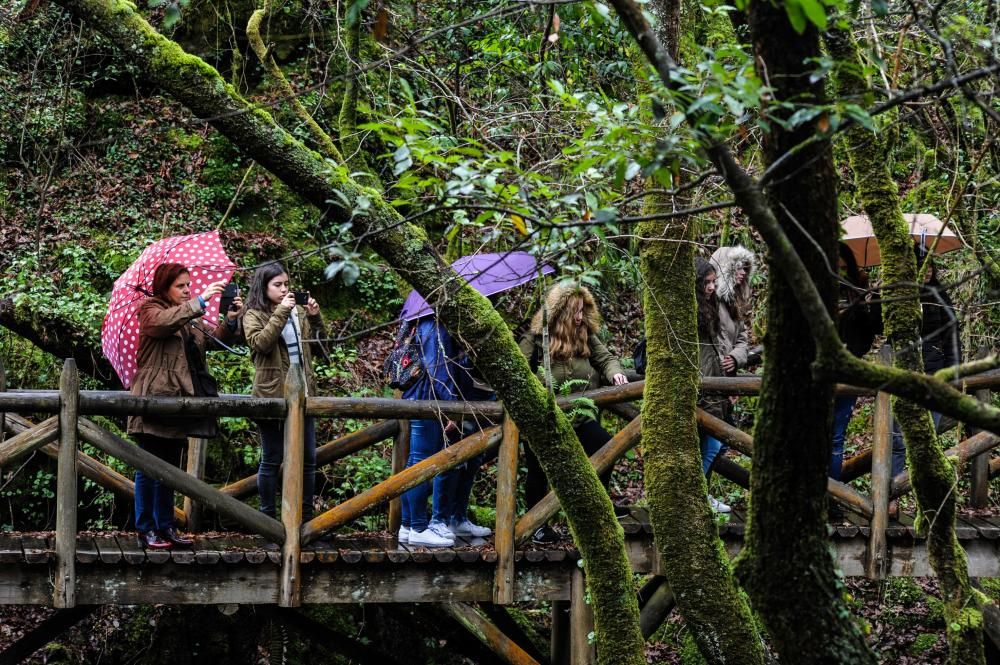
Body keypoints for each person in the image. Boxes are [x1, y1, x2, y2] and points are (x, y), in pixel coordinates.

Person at [128, 263, 241, 550]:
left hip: (178, 402)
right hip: (153, 400)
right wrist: (199, 301)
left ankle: (165, 526)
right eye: (181, 286)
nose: (187, 290)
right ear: (164, 287)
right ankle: (146, 529)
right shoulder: (150, 309)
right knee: (148, 467)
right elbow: (163, 323)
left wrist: (229, 321)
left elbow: (213, 340)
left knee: (170, 471)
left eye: (189, 285)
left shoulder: (190, 318)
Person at [519, 282, 629, 544]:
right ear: (561, 312)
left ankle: (598, 508)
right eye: (575, 312)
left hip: (581, 417)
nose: (580, 317)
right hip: (544, 420)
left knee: (604, 447)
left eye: (583, 311)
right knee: (538, 470)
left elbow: (606, 359)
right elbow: (520, 374)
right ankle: (537, 525)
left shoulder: (586, 335)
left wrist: (616, 373)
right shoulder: (535, 340)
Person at [243, 263, 325, 532]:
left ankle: (306, 521)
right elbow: (260, 344)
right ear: (263, 287)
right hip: (271, 397)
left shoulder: (298, 312)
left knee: (308, 460)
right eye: (277, 285)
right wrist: (281, 312)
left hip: (303, 396)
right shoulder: (253, 314)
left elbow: (323, 348)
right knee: (272, 458)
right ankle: (267, 521)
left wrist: (314, 318)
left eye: (286, 284)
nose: (284, 289)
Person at [396, 318, 492, 548]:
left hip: (420, 395)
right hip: (429, 398)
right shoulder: (433, 324)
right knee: (422, 461)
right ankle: (418, 526)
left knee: (417, 460)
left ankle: (408, 525)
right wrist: (451, 407)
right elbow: (438, 368)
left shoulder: (421, 319)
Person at [889, 244, 962, 483]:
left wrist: (954, 374)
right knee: (898, 438)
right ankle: (892, 494)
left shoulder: (941, 296)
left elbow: (952, 337)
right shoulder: (902, 296)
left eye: (930, 265)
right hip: (904, 374)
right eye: (922, 265)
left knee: (928, 439)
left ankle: (928, 494)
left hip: (935, 373)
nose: (927, 270)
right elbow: (886, 330)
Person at [830, 243, 882, 482]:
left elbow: (871, 331)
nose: (839, 267)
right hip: (821, 370)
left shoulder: (858, 289)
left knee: (836, 436)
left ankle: (833, 495)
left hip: (849, 370)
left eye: (843, 262)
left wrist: (876, 298)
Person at [695, 258, 733, 514]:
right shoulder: (690, 311)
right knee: (711, 443)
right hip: (701, 383)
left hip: (712, 378)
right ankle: (697, 495)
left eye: (713, 282)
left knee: (715, 443)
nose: (711, 287)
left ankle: (699, 494)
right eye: (706, 283)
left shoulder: (710, 307)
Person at [709, 245, 755, 376]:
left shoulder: (732, 303)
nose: (743, 272)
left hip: (726, 378)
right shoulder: (708, 302)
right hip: (711, 379)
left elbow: (742, 339)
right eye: (738, 267)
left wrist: (735, 358)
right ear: (724, 270)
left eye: (745, 268)